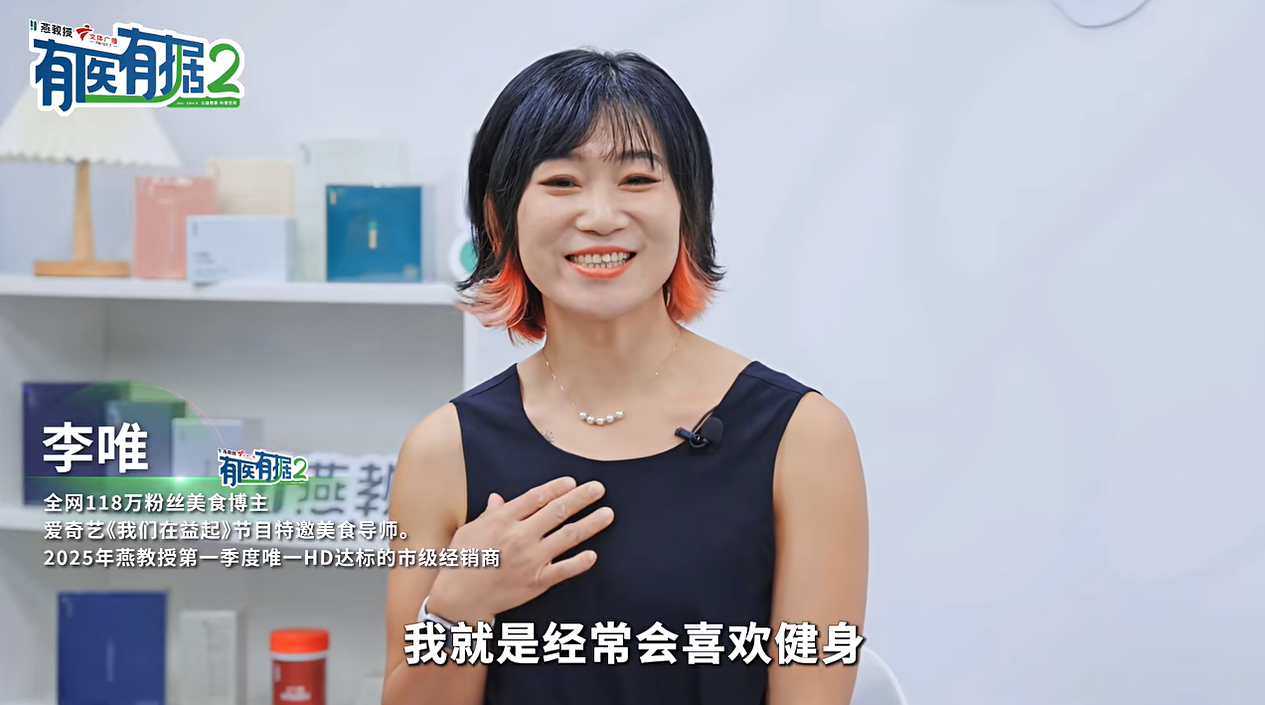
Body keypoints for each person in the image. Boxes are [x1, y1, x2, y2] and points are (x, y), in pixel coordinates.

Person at [383, 47, 868, 705]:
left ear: (688, 209)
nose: (601, 215)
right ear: (501, 217)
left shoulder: (802, 437)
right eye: (561, 182)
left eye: (638, 179)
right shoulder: (442, 450)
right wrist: (459, 607)